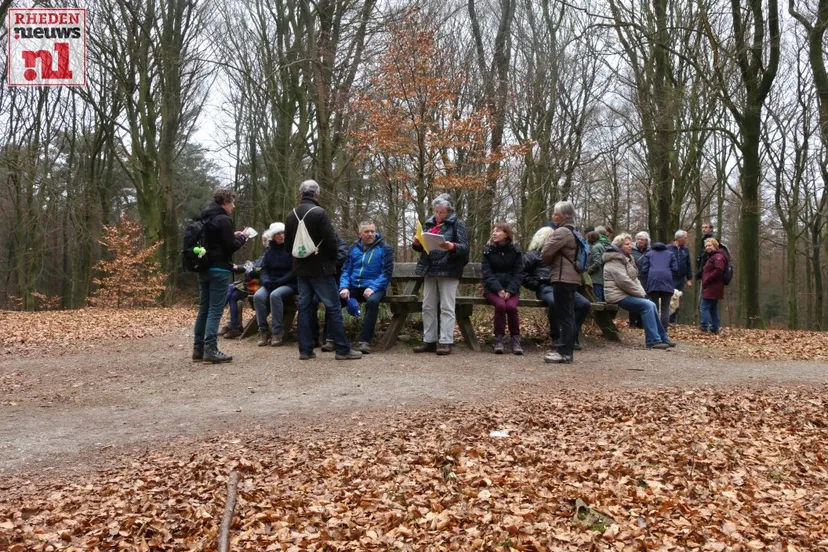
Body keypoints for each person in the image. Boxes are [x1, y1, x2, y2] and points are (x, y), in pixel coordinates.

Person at [284, 180, 361, 361]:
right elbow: (332, 242)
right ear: (317, 194)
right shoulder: (319, 213)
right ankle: (342, 349)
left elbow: (288, 246)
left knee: (304, 308)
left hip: (301, 268)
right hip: (321, 268)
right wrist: (331, 261)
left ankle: (305, 350)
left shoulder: (290, 215)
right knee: (333, 306)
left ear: (301, 193)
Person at [192, 188, 250, 363]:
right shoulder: (223, 219)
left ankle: (198, 349)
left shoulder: (205, 217)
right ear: (225, 202)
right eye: (232, 203)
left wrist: (232, 235)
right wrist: (243, 237)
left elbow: (215, 241)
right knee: (215, 310)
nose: (233, 206)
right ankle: (211, 349)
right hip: (220, 269)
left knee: (204, 309)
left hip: (204, 267)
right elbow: (230, 247)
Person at [412, 193, 470, 355]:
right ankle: (429, 340)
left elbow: (465, 247)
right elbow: (422, 247)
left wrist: (451, 246)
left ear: (449, 211)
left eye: (442, 212)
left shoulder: (458, 224)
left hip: (449, 269)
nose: (438, 215)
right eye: (436, 211)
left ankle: (445, 341)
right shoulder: (429, 223)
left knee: (446, 306)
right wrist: (416, 243)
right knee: (428, 306)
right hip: (429, 269)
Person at [524, 226, 591, 351]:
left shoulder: (560, 256)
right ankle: (557, 337)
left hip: (562, 285)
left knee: (584, 304)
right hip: (545, 287)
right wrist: (537, 284)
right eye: (552, 236)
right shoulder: (531, 255)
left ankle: (570, 337)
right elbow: (522, 274)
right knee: (556, 302)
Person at [603, 234, 674, 349]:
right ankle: (652, 341)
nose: (630, 246)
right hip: (617, 296)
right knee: (647, 305)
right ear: (619, 246)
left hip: (626, 294)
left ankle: (662, 338)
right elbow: (624, 282)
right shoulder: (614, 261)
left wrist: (643, 293)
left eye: (630, 244)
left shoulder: (627, 259)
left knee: (651, 304)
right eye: (627, 244)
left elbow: (634, 279)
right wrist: (641, 294)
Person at [338, 221, 395, 354]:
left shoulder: (385, 248)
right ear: (360, 234)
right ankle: (332, 339)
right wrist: (344, 287)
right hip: (354, 286)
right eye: (367, 232)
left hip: (375, 287)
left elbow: (386, 273)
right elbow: (346, 270)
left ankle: (365, 341)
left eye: (372, 231)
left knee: (372, 302)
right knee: (335, 300)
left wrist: (373, 287)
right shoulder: (353, 248)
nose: (370, 234)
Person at [541, 200, 582, 364]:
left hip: (562, 277)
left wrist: (549, 260)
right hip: (573, 278)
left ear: (565, 215)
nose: (553, 216)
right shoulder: (575, 232)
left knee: (564, 316)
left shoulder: (562, 232)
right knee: (568, 315)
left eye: (556, 214)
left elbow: (545, 252)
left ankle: (564, 352)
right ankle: (566, 351)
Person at [482, 222, 525, 355]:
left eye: (498, 231)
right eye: (493, 231)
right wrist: (498, 289)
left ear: (506, 234)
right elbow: (487, 273)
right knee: (501, 306)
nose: (494, 233)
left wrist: (510, 291)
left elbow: (519, 273)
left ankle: (515, 339)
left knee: (511, 307)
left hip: (511, 289)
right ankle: (499, 339)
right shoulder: (488, 250)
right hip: (493, 289)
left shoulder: (516, 251)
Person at [253, 222, 297, 347]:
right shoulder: (270, 250)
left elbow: (294, 270)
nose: (281, 236)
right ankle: (263, 331)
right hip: (271, 282)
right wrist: (266, 280)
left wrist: (280, 281)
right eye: (278, 234)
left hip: (289, 283)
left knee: (275, 295)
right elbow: (264, 269)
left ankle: (277, 332)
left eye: (283, 233)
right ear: (273, 236)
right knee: (258, 296)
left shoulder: (291, 248)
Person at [219, 237, 266, 339]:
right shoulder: (264, 253)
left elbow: (259, 269)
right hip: (251, 282)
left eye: (266, 240)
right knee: (232, 293)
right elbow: (253, 265)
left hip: (259, 284)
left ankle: (218, 316)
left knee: (231, 290)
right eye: (264, 240)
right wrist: (238, 267)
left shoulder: (271, 253)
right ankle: (233, 326)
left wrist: (250, 270)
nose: (265, 243)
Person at [639, 240, 679, 332]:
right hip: (667, 281)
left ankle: (655, 328)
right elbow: (675, 268)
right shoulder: (670, 254)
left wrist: (646, 281)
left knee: (654, 306)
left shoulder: (649, 254)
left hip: (653, 280)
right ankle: (664, 329)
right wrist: (669, 276)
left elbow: (644, 269)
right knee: (665, 307)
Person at [700, 237, 728, 334]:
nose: (707, 247)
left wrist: (707, 279)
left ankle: (704, 327)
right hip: (713, 286)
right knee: (713, 308)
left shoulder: (718, 257)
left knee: (704, 307)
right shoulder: (713, 256)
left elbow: (719, 270)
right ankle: (715, 327)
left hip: (713, 286)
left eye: (709, 245)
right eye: (706, 246)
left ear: (715, 245)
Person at [667, 230, 693, 323]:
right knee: (668, 298)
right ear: (679, 238)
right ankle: (665, 318)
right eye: (685, 238)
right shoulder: (668, 248)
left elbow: (688, 264)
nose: (686, 239)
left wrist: (689, 279)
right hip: (670, 278)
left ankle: (673, 320)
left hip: (681, 279)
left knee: (677, 299)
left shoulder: (685, 250)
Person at [629, 231, 650, 329]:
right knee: (633, 299)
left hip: (646, 278)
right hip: (634, 277)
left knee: (644, 299)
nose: (639, 241)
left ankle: (641, 322)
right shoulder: (631, 250)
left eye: (642, 239)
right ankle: (632, 322)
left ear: (646, 241)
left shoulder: (650, 251)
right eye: (638, 239)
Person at [588, 227, 611, 301]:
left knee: (597, 301)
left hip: (596, 279)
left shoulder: (595, 247)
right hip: (600, 278)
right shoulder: (600, 245)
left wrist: (588, 271)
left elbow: (597, 262)